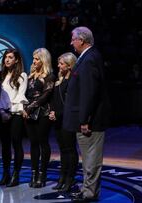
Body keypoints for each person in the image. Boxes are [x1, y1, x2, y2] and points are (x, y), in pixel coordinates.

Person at [63, 26, 108, 202]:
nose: (71, 42)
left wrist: (85, 119)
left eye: (73, 39)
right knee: (88, 157)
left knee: (91, 158)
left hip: (90, 120)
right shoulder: (87, 57)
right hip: (85, 118)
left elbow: (90, 92)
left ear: (81, 40)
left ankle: (90, 192)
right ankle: (87, 189)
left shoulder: (89, 59)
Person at [0, 49, 28, 187]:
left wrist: (10, 111)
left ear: (16, 60)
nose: (7, 60)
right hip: (2, 114)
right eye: (5, 57)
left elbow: (20, 96)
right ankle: (5, 174)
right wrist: (2, 111)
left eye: (10, 57)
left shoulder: (22, 75)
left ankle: (16, 175)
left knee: (16, 143)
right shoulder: (0, 75)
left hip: (15, 114)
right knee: (5, 146)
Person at [23, 48, 55, 188]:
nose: (34, 61)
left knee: (43, 142)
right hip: (29, 113)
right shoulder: (30, 75)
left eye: (37, 59)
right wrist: (25, 108)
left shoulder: (50, 76)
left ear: (43, 60)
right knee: (33, 143)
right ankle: (34, 173)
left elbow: (45, 95)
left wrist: (30, 108)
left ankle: (42, 174)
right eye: (33, 58)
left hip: (43, 113)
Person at [49, 52, 79, 192]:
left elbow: (71, 103)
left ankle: (70, 178)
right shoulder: (58, 80)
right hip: (58, 120)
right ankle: (62, 176)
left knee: (70, 150)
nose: (58, 66)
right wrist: (53, 111)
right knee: (62, 150)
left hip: (69, 119)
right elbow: (55, 100)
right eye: (59, 63)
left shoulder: (73, 80)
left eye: (61, 64)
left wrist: (59, 113)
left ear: (69, 65)